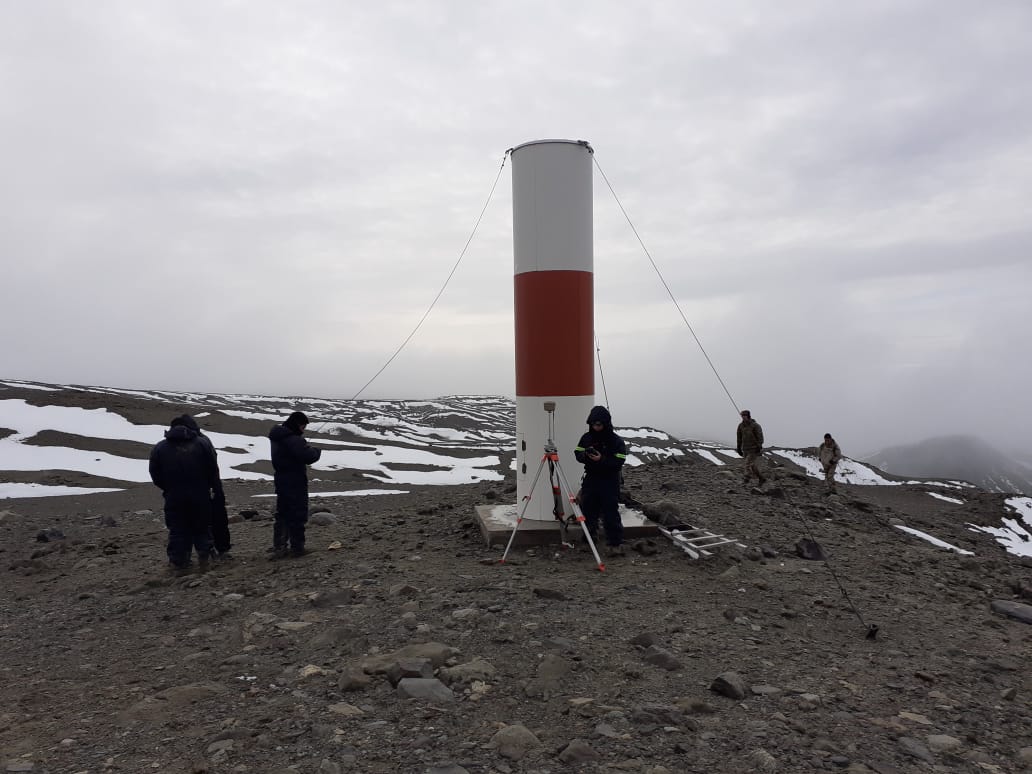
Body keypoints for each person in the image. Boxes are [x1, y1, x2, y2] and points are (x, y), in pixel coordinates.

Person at [149, 415, 221, 573]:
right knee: (202, 527)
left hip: (174, 496)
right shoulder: (202, 444)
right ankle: (205, 560)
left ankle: (179, 563)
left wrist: (168, 487)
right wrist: (209, 487)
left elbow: (155, 474)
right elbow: (212, 469)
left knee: (177, 529)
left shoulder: (160, 447)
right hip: (200, 494)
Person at [170, 414, 232, 559]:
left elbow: (157, 472)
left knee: (188, 525)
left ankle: (183, 560)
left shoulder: (171, 444)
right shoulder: (203, 441)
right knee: (211, 521)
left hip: (193, 490)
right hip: (207, 488)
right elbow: (212, 466)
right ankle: (216, 552)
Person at [574, 405, 628, 557]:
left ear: (605, 423)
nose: (595, 427)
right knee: (589, 509)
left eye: (598, 424)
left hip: (609, 480)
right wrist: (585, 455)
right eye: (593, 424)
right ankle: (589, 539)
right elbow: (577, 452)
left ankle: (615, 543)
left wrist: (602, 459)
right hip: (591, 478)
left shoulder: (615, 441)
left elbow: (619, 461)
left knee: (610, 511)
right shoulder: (587, 437)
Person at [269, 411, 322, 558]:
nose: (303, 430)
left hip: (281, 480)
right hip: (295, 482)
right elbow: (308, 456)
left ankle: (279, 547)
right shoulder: (293, 439)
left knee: (283, 514)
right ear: (298, 425)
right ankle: (297, 549)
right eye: (303, 427)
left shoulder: (278, 436)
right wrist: (317, 451)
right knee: (297, 514)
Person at [736, 409, 767, 486]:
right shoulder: (740, 426)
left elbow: (760, 437)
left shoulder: (755, 425)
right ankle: (762, 478)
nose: (743, 417)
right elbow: (739, 437)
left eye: (745, 415)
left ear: (748, 416)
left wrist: (759, 446)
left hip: (754, 449)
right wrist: (738, 447)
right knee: (752, 465)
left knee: (747, 464)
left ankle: (746, 479)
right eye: (742, 416)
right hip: (745, 449)